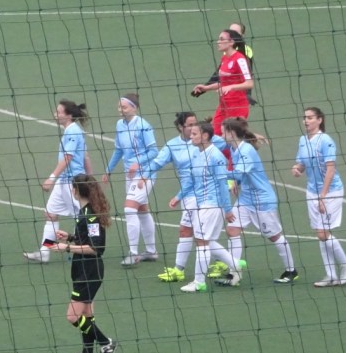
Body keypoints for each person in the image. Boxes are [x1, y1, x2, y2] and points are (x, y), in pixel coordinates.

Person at [139, 112, 226, 283]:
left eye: (195, 124)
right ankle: (225, 262)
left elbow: (228, 143)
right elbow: (157, 162)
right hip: (188, 194)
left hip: (203, 195)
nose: (193, 127)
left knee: (193, 233)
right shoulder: (172, 145)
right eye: (189, 125)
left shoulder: (208, 140)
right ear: (180, 127)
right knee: (195, 234)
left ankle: (181, 270)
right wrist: (145, 175)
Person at [51, 174, 117, 353]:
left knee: (72, 316)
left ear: (77, 191)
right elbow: (87, 239)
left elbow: (96, 248)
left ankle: (105, 342)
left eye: (73, 187)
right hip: (83, 269)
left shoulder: (90, 215)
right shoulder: (86, 211)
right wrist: (71, 237)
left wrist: (67, 248)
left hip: (89, 272)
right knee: (86, 315)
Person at [221, 118, 298, 284]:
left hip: (262, 200)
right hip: (246, 199)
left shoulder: (246, 151)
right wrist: (235, 183)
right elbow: (240, 175)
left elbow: (239, 171)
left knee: (274, 236)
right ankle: (234, 272)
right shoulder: (234, 149)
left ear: (231, 133)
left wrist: (218, 173)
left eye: (223, 132)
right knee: (232, 229)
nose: (221, 135)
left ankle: (291, 270)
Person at [292, 107, 346, 286]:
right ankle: (331, 275)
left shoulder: (325, 140)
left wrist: (323, 196)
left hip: (331, 191)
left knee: (322, 232)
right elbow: (301, 163)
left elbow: (330, 169)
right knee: (320, 233)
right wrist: (297, 169)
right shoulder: (303, 140)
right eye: (305, 117)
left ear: (319, 120)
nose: (306, 120)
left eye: (310, 117)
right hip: (312, 191)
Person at [25, 100, 91, 263]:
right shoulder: (71, 130)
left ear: (68, 115)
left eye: (59, 112)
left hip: (72, 182)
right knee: (51, 214)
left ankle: (84, 249)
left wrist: (51, 177)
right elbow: (85, 156)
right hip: (64, 181)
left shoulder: (73, 131)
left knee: (82, 216)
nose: (55, 114)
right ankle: (44, 252)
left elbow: (68, 157)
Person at [179, 122, 242, 293]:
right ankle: (235, 264)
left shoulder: (215, 156)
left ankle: (199, 282)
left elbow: (222, 184)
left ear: (205, 136)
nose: (191, 137)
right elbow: (193, 180)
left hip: (211, 205)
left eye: (194, 134)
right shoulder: (198, 153)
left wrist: (228, 209)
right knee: (207, 241)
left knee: (202, 242)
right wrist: (178, 197)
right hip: (203, 205)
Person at [102, 93, 159, 266]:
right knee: (142, 210)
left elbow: (154, 151)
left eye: (124, 107)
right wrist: (108, 170)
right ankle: (151, 251)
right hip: (130, 175)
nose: (120, 109)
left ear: (134, 108)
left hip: (145, 175)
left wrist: (138, 163)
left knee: (129, 209)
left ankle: (133, 253)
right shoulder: (119, 125)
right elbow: (118, 150)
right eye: (119, 106)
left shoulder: (143, 126)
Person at [191, 28, 253, 137]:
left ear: (231, 42)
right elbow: (224, 83)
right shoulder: (224, 58)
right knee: (215, 136)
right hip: (223, 106)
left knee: (232, 138)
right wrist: (206, 88)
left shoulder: (240, 59)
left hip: (237, 107)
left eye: (221, 39)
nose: (218, 42)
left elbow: (249, 83)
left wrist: (230, 87)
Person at [192, 21, 255, 105]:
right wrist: (206, 88)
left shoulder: (244, 52)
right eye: (230, 31)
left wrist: (248, 94)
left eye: (235, 32)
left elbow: (247, 75)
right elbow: (219, 73)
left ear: (242, 36)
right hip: (226, 98)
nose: (231, 33)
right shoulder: (227, 53)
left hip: (238, 98)